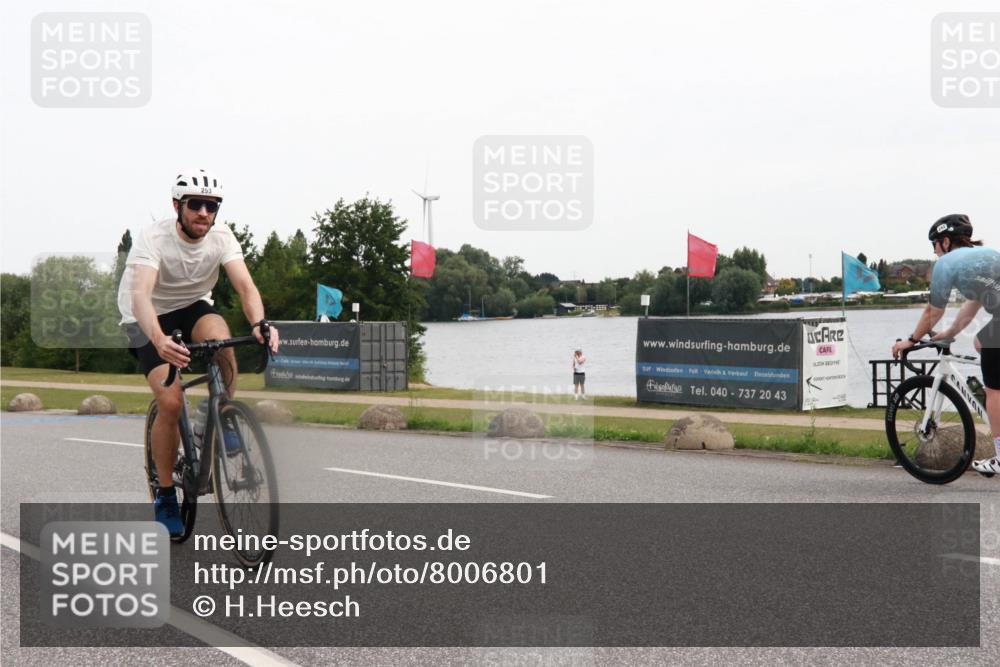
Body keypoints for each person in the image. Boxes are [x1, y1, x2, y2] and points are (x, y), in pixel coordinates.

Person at [118, 168, 281, 536]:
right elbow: (141, 294)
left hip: (191, 305)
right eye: (196, 205)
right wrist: (160, 340)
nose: (204, 213)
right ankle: (164, 493)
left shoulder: (222, 237)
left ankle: (219, 412)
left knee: (223, 345)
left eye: (212, 206)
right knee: (171, 401)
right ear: (178, 206)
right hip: (145, 316)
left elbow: (245, 286)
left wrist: (258, 323)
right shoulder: (153, 238)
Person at [891, 214, 1000, 475]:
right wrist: (950, 331)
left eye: (934, 246)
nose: (935, 252)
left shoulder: (947, 264)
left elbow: (932, 311)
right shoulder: (986, 255)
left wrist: (912, 340)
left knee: (994, 389)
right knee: (980, 341)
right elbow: (973, 305)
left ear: (946, 241)